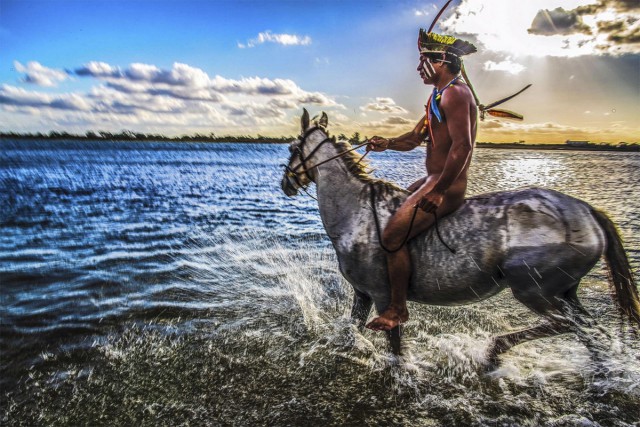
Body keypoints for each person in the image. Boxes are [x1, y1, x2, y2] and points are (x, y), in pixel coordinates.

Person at [365, 31, 478, 331]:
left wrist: (440, 191)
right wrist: (387, 143)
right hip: (432, 178)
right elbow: (415, 139)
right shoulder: (437, 97)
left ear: (440, 61)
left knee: (391, 237)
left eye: (423, 61)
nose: (418, 69)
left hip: (446, 184)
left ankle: (397, 309)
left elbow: (462, 146)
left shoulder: (456, 93)